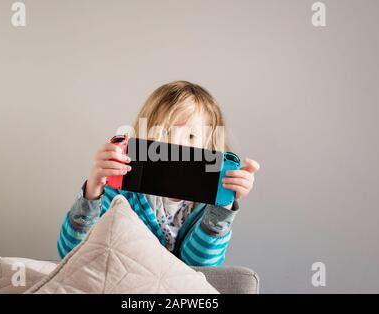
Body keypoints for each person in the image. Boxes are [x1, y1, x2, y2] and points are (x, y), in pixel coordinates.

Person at [57, 81, 260, 266]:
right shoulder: (121, 188)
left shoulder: (207, 202)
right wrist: (94, 188)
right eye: (164, 132)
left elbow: (201, 266)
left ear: (210, 148)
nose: (176, 144)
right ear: (144, 138)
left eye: (191, 135)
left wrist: (222, 206)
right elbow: (71, 253)